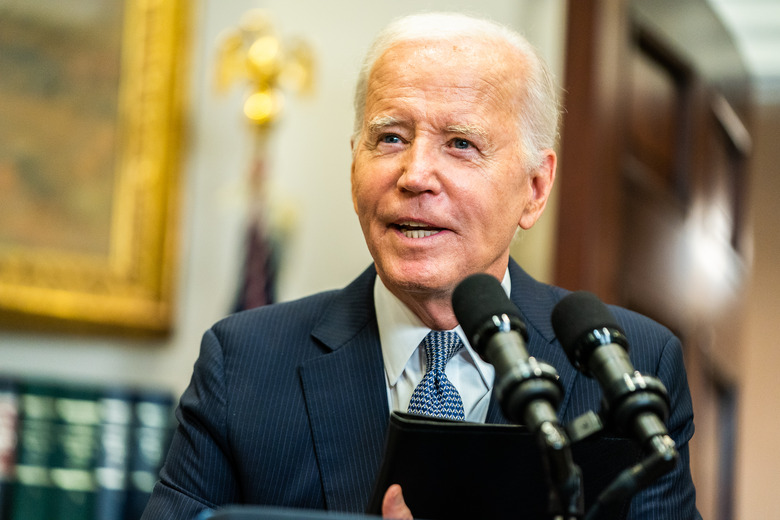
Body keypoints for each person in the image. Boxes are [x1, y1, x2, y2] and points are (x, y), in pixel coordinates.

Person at [142, 12, 700, 519]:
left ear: (535, 189)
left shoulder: (633, 365)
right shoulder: (243, 364)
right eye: (390, 137)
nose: (414, 175)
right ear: (353, 159)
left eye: (460, 144)